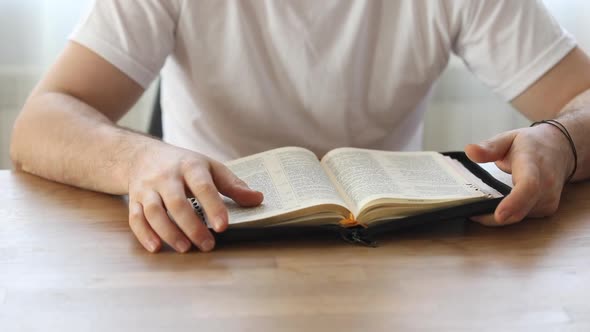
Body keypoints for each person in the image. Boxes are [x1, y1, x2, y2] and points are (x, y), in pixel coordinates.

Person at [10, 0, 590, 253]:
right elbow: (42, 121)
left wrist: (560, 141)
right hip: (208, 246)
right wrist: (138, 159)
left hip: (388, 248)